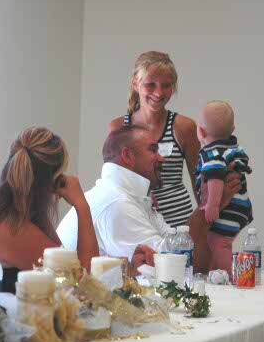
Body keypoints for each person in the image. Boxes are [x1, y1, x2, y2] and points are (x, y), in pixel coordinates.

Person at [57, 125, 242, 264]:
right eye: (153, 150)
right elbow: (170, 264)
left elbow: (180, 249)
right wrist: (208, 203)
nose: (162, 158)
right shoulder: (117, 204)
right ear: (128, 156)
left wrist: (211, 205)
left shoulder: (131, 198)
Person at [0, 127, 99, 292]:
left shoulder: (2, 214)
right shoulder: (11, 228)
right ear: (53, 181)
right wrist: (82, 205)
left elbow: (58, 254)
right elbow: (84, 286)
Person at [109, 51, 200, 227]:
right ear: (135, 84)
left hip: (179, 225)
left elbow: (200, 186)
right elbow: (114, 185)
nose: (158, 93)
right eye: (150, 84)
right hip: (137, 222)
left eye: (166, 85)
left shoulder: (184, 127)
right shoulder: (118, 128)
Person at [196, 101, 253, 273]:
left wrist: (213, 205)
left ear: (201, 132)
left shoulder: (212, 153)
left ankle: (227, 276)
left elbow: (215, 177)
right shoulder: (233, 148)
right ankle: (217, 273)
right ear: (232, 129)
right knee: (218, 242)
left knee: (219, 243)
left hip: (228, 208)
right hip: (240, 207)